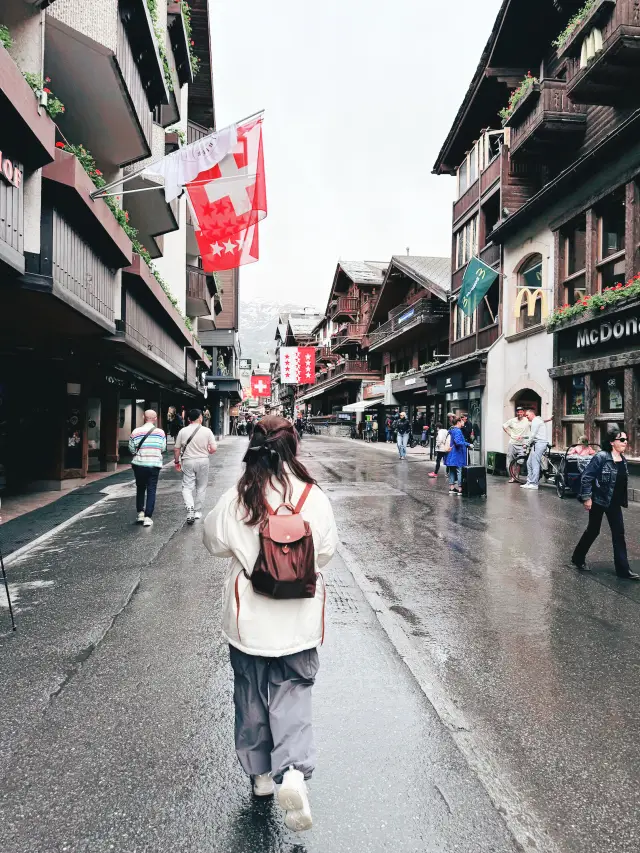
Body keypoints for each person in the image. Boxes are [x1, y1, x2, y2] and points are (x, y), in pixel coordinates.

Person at [203, 416, 339, 831]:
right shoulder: (312, 497)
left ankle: (261, 776)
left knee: (249, 694)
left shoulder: (239, 495)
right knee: (293, 691)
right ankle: (294, 772)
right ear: (292, 448)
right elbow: (327, 552)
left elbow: (212, 542)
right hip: (298, 620)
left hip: (250, 621)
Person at [571, 426, 639, 580]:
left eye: (626, 439)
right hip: (598, 501)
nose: (625, 442)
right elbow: (587, 477)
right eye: (621, 439)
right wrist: (587, 498)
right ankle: (578, 558)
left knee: (619, 534)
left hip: (613, 503)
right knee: (593, 531)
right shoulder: (601, 457)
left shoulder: (623, 459)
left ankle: (623, 570)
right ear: (612, 442)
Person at [174, 408, 217, 524]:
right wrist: (208, 450)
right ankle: (197, 511)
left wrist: (176, 462)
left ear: (188, 419)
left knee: (187, 487)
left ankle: (190, 509)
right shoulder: (207, 431)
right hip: (203, 460)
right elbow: (213, 448)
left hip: (187, 461)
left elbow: (177, 448)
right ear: (200, 418)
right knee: (201, 486)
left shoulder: (183, 431)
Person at [129, 409, 166, 527]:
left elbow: (131, 448)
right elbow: (163, 448)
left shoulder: (135, 431)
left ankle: (140, 512)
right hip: (154, 465)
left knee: (140, 488)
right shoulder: (160, 432)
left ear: (143, 417)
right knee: (151, 489)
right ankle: (148, 517)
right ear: (155, 419)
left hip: (139, 464)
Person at [520, 408, 549, 490]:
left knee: (534, 463)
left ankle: (534, 483)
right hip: (537, 444)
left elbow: (533, 435)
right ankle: (529, 482)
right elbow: (531, 435)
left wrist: (527, 444)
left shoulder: (535, 421)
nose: (526, 417)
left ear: (532, 414)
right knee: (529, 463)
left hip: (539, 444)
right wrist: (524, 438)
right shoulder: (537, 420)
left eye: (527, 415)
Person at [503, 406, 530, 483]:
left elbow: (536, 422)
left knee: (520, 461)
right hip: (512, 443)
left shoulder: (526, 420)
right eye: (518, 412)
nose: (519, 413)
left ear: (523, 412)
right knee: (511, 461)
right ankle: (512, 477)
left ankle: (516, 476)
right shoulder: (512, 420)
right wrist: (509, 434)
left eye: (521, 411)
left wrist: (548, 420)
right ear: (516, 413)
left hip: (522, 444)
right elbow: (504, 426)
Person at [444, 416, 469, 494]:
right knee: (459, 470)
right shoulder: (458, 431)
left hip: (451, 453)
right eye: (462, 421)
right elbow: (458, 442)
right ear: (458, 422)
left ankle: (451, 488)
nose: (463, 423)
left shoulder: (452, 430)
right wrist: (467, 444)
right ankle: (460, 488)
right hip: (457, 453)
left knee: (452, 470)